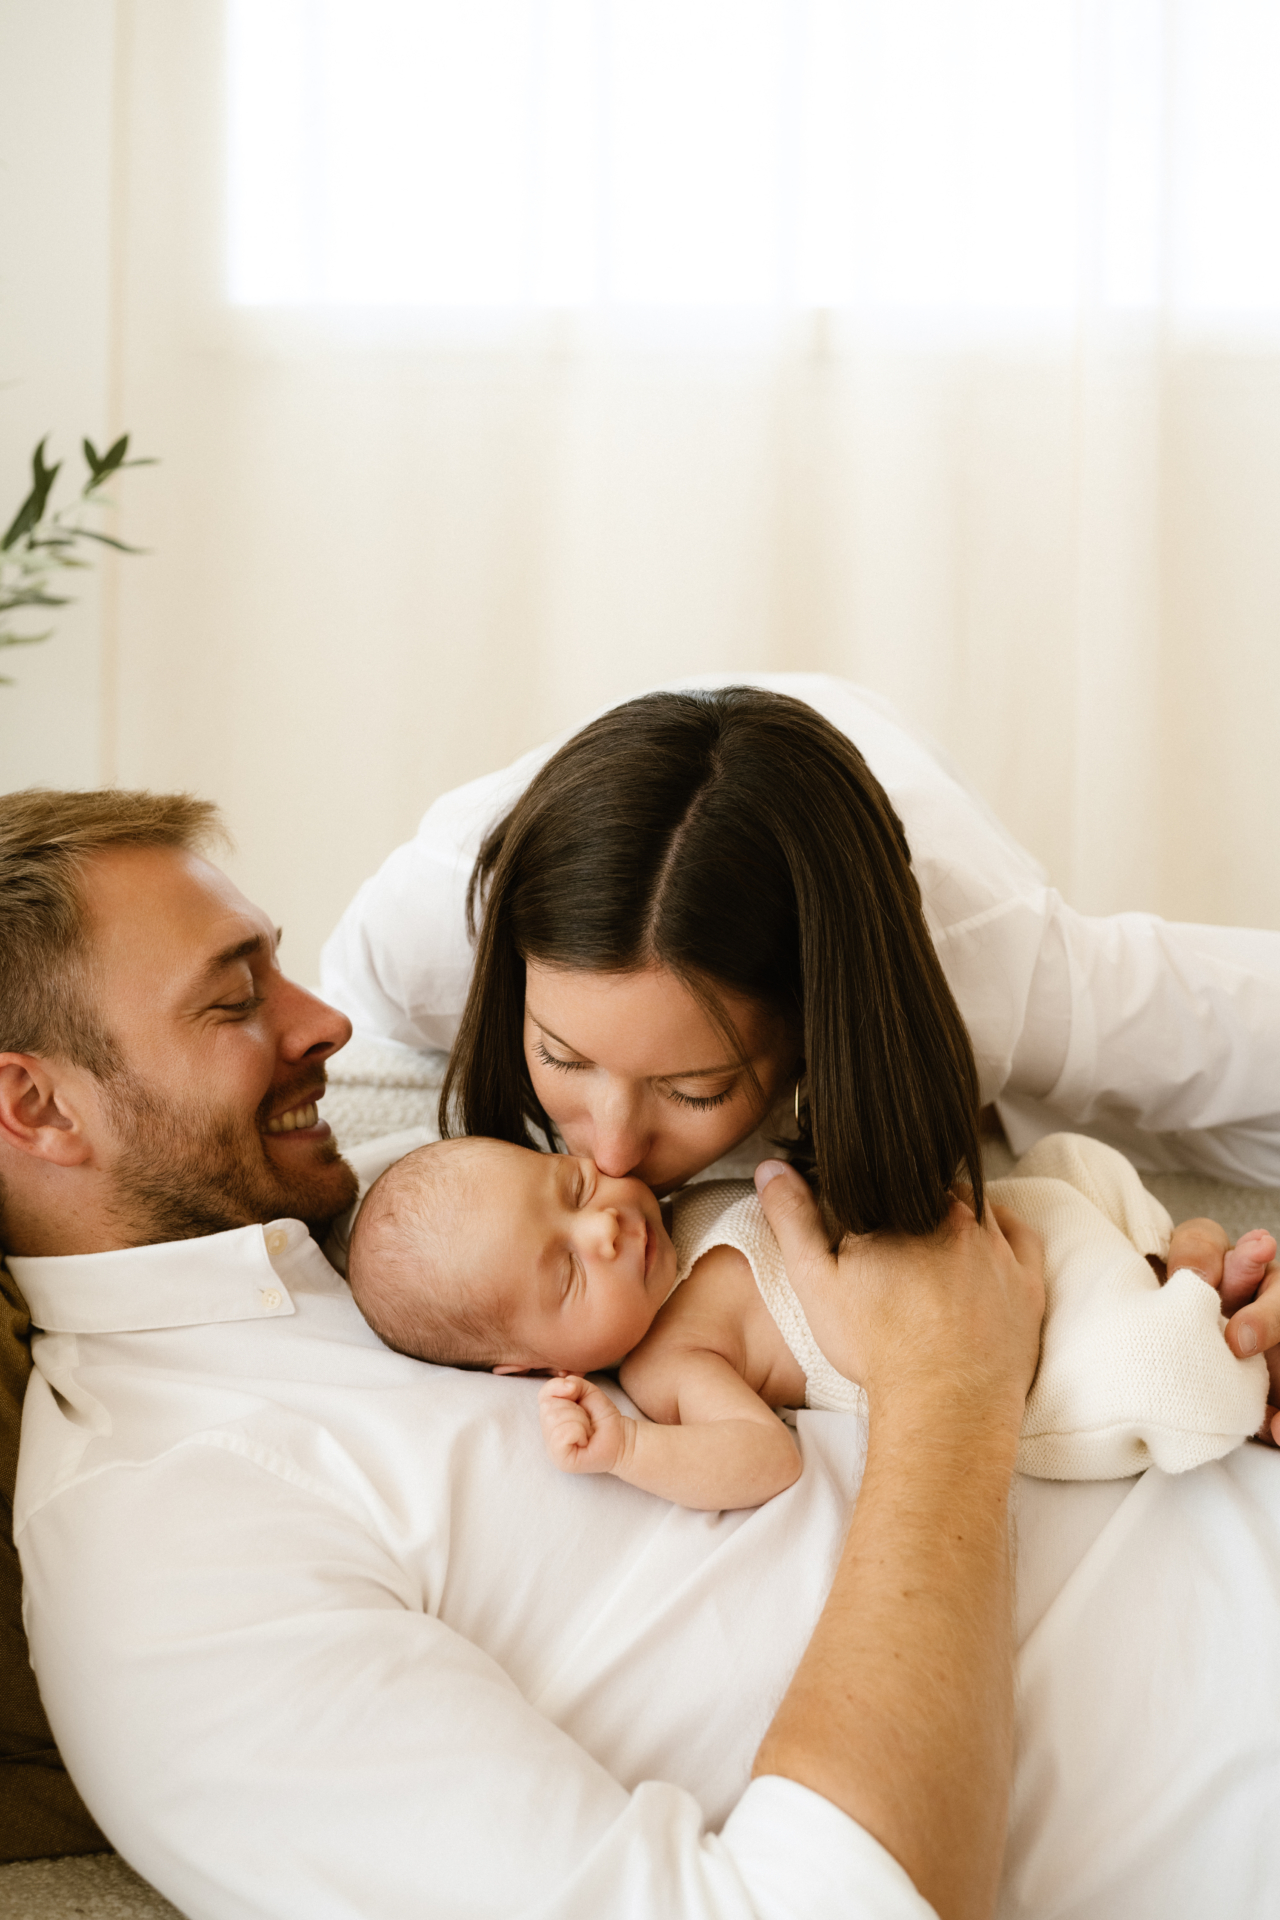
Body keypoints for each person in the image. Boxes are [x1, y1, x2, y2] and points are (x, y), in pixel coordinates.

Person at [3, 785, 1046, 1920]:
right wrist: (952, 1397)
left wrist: (1170, 1299)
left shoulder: (405, 1191)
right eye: (233, 999)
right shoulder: (172, 1567)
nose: (327, 1024)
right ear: (36, 1106)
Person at [322, 674, 1280, 1406]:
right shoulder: (422, 934)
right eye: (563, 1058)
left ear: (812, 1046)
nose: (611, 1154)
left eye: (695, 1090)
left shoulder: (991, 961)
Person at [346, 1133, 1271, 1513]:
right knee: (1150, 1375)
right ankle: (1215, 1341)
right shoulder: (671, 1361)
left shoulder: (674, 1201)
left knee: (1071, 1161)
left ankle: (1180, 1257)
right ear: (526, 1365)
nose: (606, 1224)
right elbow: (764, 1458)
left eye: (574, 1187)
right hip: (1016, 1359)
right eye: (565, 1272)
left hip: (987, 1242)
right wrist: (630, 1449)